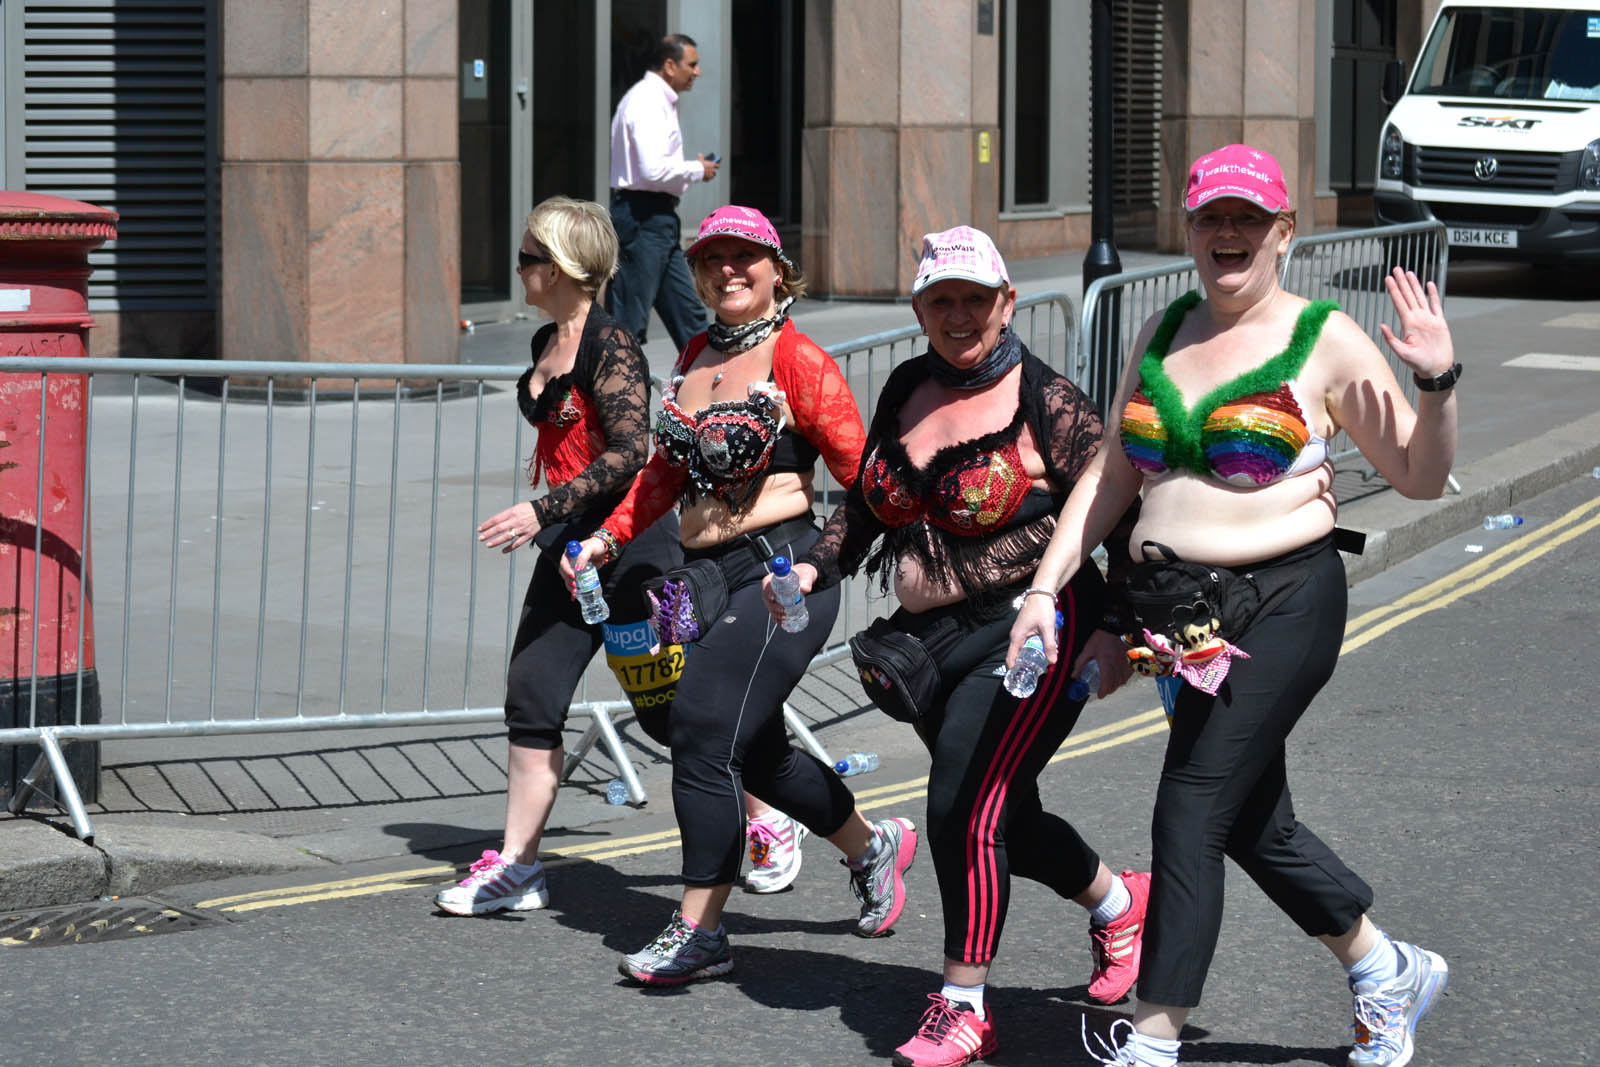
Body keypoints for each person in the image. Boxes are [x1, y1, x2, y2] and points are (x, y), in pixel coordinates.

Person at [1010, 145, 1456, 1067]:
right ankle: (1384, 968)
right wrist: (1048, 589)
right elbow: (1112, 476)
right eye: (1212, 217)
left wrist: (1437, 383)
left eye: (1248, 219)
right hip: (1184, 624)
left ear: (1283, 233)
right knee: (1252, 818)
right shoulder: (1164, 327)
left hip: (1287, 601)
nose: (1228, 234)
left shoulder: (1326, 337)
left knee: (1191, 805)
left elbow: (1419, 475)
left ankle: (1154, 1034)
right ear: (1190, 229)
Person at [768, 226, 1152, 1067]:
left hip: (1034, 629)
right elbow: (865, 506)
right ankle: (1120, 901)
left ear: (1007, 302)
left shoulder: (1048, 401)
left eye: (976, 298)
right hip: (933, 641)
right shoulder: (908, 387)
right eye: (941, 299)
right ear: (919, 309)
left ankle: (965, 1006)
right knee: (999, 811)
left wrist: (1118, 630)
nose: (959, 315)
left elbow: (1122, 509)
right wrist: (813, 565)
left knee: (961, 804)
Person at [565, 204, 921, 986]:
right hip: (707, 576)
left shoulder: (798, 360)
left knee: (700, 726)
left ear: (776, 270)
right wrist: (605, 540)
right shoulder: (695, 353)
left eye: (744, 256)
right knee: (753, 751)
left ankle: (700, 928)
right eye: (712, 258)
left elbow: (865, 477)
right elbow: (661, 478)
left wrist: (837, 563)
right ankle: (873, 846)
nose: (728, 269)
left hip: (780, 572)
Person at [434, 196, 683, 917]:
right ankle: (519, 866)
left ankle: (769, 818)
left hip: (631, 548)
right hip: (573, 547)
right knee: (533, 692)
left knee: (673, 711)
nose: (518, 268)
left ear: (565, 267)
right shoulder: (548, 339)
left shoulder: (613, 344)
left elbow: (631, 451)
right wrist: (556, 520)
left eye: (528, 257)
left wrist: (540, 509)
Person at [605, 32, 720, 351]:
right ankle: (615, 384)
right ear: (669, 66)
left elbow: (654, 168)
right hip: (641, 219)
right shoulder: (647, 101)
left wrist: (692, 169)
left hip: (656, 219)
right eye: (692, 65)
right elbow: (652, 170)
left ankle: (708, 378)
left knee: (691, 317)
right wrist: (697, 169)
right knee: (627, 325)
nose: (697, 72)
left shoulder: (657, 100)